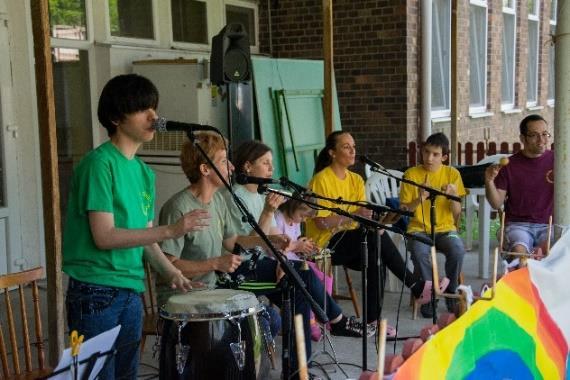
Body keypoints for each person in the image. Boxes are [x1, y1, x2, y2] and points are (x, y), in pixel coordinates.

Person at [158, 136, 370, 376]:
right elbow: (168, 266)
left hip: (218, 280)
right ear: (205, 169)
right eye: (224, 161)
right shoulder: (178, 207)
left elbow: (233, 242)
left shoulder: (216, 200)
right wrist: (215, 262)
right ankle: (333, 325)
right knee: (300, 279)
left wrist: (270, 241)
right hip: (193, 293)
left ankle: (298, 370)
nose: (232, 167)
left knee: (298, 277)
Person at [62, 74, 207, 380]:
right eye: (143, 109)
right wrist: (172, 230)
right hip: (94, 290)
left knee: (127, 375)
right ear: (116, 117)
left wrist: (173, 274)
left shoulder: (143, 172)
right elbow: (105, 236)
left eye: (154, 108)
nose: (154, 117)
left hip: (130, 290)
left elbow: (143, 236)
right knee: (96, 376)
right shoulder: (98, 164)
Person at [305, 131, 443, 327]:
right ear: (332, 153)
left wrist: (372, 221)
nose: (353, 151)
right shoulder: (321, 180)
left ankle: (373, 322)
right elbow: (320, 223)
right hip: (324, 245)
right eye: (346, 147)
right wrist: (354, 216)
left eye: (353, 146)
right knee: (373, 240)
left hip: (352, 240)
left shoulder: (356, 180)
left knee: (376, 254)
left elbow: (360, 218)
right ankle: (415, 285)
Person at [400, 132, 466, 318]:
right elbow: (404, 211)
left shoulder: (452, 174)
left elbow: (457, 213)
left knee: (457, 249)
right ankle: (431, 295)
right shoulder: (411, 174)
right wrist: (419, 198)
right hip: (418, 228)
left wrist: (453, 195)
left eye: (435, 154)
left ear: (444, 157)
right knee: (420, 252)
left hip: (446, 229)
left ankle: (451, 291)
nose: (429, 158)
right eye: (426, 152)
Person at [485, 114, 554, 259]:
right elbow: (496, 202)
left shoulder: (558, 161)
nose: (541, 140)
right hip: (518, 225)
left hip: (550, 225)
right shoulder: (509, 165)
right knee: (518, 251)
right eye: (534, 135)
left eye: (544, 134)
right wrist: (489, 181)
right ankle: (522, 274)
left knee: (553, 250)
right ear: (522, 139)